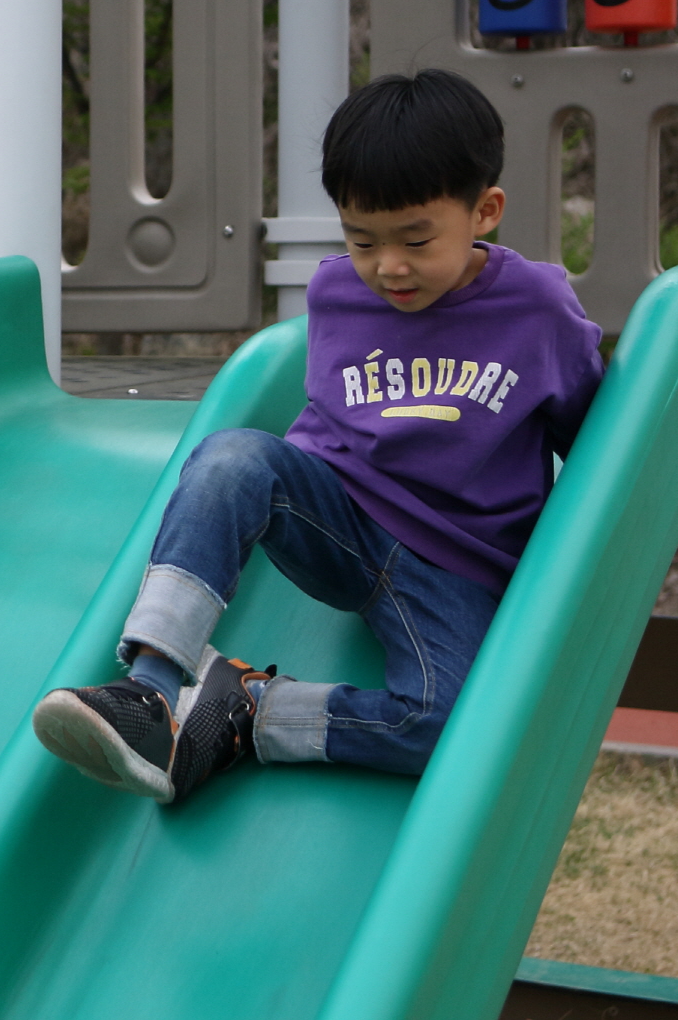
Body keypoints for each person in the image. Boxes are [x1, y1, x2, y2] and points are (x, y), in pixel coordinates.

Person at [33, 68, 604, 804]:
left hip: (456, 560)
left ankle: (245, 712)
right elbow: (319, 427)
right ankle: (149, 689)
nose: (388, 267)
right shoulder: (338, 290)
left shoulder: (537, 309)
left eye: (416, 239)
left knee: (448, 725)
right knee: (231, 458)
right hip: (341, 519)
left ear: (484, 212)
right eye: (362, 240)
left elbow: (595, 442)